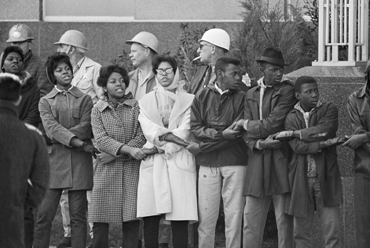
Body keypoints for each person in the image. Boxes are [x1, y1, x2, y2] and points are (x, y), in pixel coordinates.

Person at [33, 52, 97, 248]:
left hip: (79, 163)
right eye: (59, 70)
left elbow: (87, 126)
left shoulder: (85, 99)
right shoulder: (45, 102)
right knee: (44, 215)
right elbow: (50, 129)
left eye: (67, 69)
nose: (65, 73)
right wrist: (79, 142)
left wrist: (63, 136)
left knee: (78, 216)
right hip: (54, 163)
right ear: (53, 75)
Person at [234, 47, 295, 248]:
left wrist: (245, 124)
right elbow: (245, 135)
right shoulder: (250, 93)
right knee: (251, 220)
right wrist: (259, 143)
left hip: (280, 162)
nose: (279, 73)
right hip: (257, 162)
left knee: (284, 221)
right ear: (262, 68)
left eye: (281, 69)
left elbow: (272, 124)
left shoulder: (287, 91)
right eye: (274, 69)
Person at [137, 55, 198, 248]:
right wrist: (166, 141)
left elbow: (186, 129)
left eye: (168, 70)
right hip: (154, 160)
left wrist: (168, 144)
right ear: (155, 73)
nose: (164, 74)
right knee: (151, 215)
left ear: (175, 71)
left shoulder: (189, 100)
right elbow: (148, 129)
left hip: (178, 159)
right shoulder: (145, 101)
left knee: (179, 216)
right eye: (160, 71)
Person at [189, 57, 248, 248]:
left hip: (235, 162)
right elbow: (196, 129)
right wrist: (222, 134)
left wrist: (204, 144)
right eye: (235, 73)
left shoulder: (244, 97)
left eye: (240, 73)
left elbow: (237, 135)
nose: (239, 77)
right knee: (206, 219)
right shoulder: (201, 95)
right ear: (220, 74)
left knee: (234, 217)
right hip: (208, 164)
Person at [54, 29, 103, 248]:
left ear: (71, 48)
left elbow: (102, 102)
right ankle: (69, 233)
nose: (58, 50)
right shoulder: (60, 70)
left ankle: (92, 234)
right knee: (66, 188)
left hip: (87, 139)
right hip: (65, 138)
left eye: (62, 46)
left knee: (89, 188)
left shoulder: (94, 69)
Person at [89, 64, 147, 248]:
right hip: (105, 171)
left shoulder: (136, 107)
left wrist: (116, 155)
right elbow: (101, 139)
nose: (119, 84)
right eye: (113, 81)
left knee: (131, 217)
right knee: (99, 216)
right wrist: (128, 150)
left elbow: (141, 136)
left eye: (122, 81)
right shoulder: (97, 109)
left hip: (130, 169)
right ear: (104, 86)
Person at [284, 76, 343, 248]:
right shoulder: (291, 116)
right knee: (301, 234)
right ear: (297, 96)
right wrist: (323, 144)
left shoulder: (328, 108)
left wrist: (298, 134)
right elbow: (296, 147)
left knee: (332, 231)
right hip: (300, 178)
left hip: (326, 176)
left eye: (316, 90)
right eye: (308, 92)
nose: (314, 95)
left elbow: (326, 130)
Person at [0, 73, 49, 248]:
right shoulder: (32, 136)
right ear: (18, 99)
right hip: (13, 217)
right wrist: (21, 202)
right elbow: (40, 182)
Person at [343, 62, 370, 248]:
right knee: (363, 226)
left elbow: (360, 136)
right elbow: (356, 131)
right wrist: (361, 137)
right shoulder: (354, 99)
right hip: (365, 168)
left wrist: (365, 137)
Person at [5, 23, 52, 97]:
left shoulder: (42, 65)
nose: (17, 46)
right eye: (14, 43)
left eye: (21, 43)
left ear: (30, 45)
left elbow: (43, 96)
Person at [1, 46, 40, 127]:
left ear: (23, 65)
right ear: (2, 65)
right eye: (10, 59)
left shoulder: (33, 87)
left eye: (19, 60)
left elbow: (33, 118)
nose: (15, 61)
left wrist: (17, 132)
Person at [187, 28, 230, 95]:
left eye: (201, 46)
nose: (198, 50)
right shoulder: (200, 72)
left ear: (213, 49)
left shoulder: (230, 75)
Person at [125, 31, 158, 100]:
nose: (130, 55)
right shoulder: (128, 78)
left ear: (146, 51)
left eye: (134, 51)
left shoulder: (162, 78)